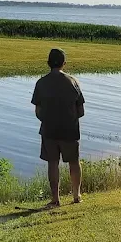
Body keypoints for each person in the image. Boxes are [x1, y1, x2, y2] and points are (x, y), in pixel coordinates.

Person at [31, 48, 85, 206]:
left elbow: (38, 112)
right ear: (64, 63)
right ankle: (76, 195)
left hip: (49, 130)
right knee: (74, 161)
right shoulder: (73, 82)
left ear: (48, 63)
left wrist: (48, 119)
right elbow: (81, 111)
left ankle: (55, 199)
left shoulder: (41, 83)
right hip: (70, 130)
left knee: (52, 163)